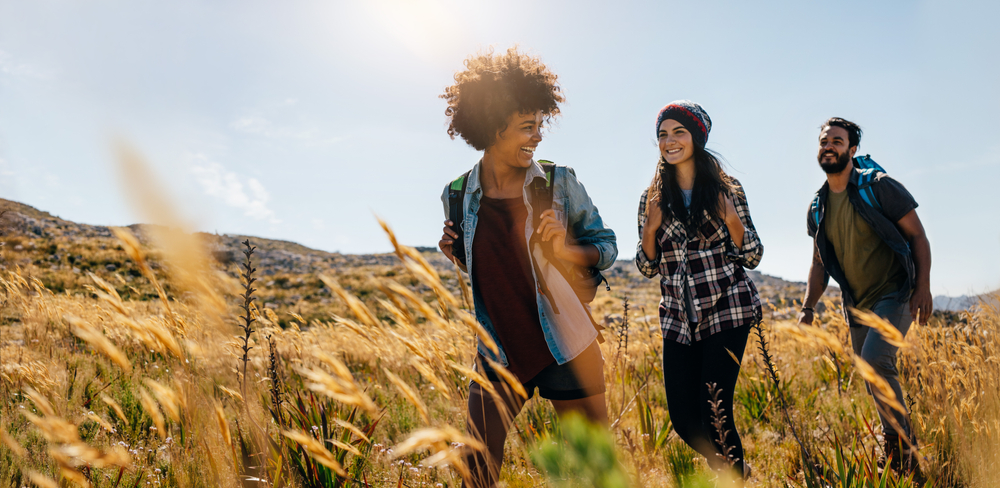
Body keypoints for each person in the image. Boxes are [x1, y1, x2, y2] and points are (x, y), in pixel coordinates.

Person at [436, 48, 617, 488]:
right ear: (492, 125)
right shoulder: (458, 195)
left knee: (598, 472)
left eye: (540, 125)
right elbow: (492, 265)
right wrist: (455, 252)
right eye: (525, 127)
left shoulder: (559, 182)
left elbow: (606, 246)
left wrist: (569, 250)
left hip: (566, 343)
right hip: (498, 349)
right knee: (476, 468)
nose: (537, 137)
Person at [635, 100, 763, 480]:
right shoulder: (652, 198)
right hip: (678, 320)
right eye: (662, 134)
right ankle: (734, 470)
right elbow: (646, 267)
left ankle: (732, 477)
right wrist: (649, 230)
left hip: (727, 311)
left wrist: (732, 221)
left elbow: (753, 254)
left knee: (715, 411)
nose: (669, 141)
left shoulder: (727, 189)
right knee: (683, 419)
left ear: (697, 138)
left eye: (678, 132)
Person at [798, 117, 931, 475]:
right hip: (857, 305)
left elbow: (918, 236)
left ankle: (906, 452)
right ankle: (895, 448)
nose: (829, 146)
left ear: (852, 150)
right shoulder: (818, 207)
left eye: (837, 141)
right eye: (825, 141)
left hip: (896, 292)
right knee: (872, 375)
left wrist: (923, 287)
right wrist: (808, 306)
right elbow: (818, 262)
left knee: (875, 362)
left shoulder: (879, 187)